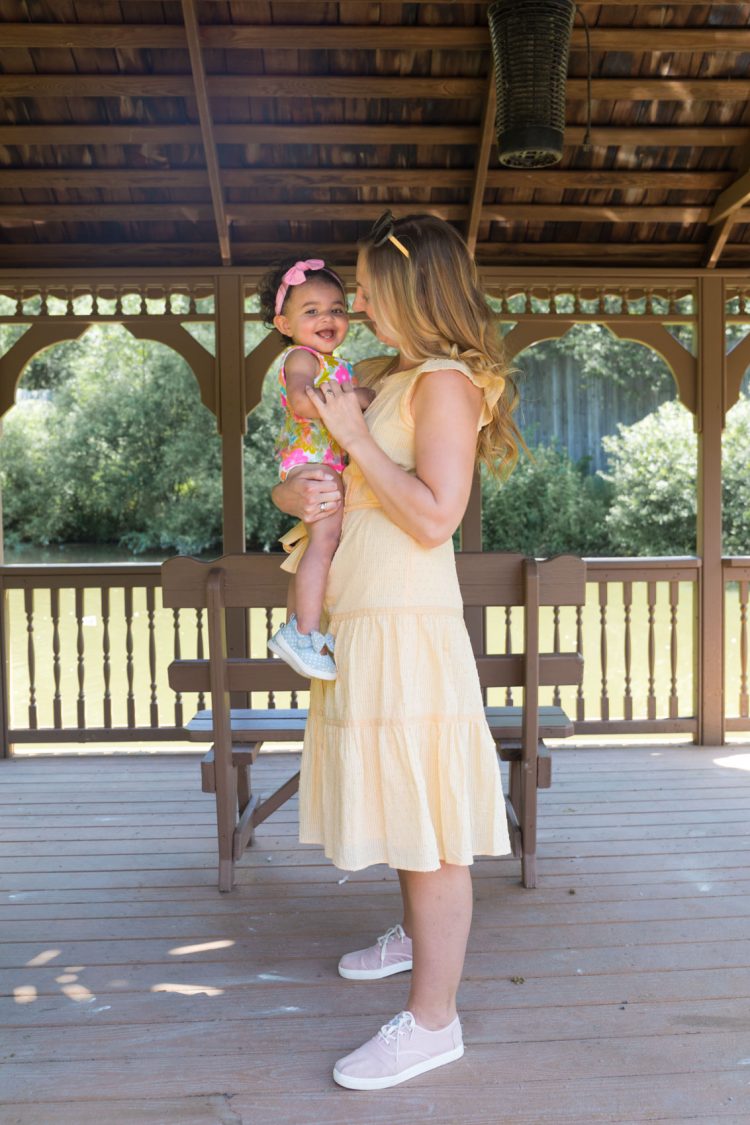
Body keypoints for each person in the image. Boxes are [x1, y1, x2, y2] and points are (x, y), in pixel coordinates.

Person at [271, 212, 521, 1091]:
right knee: (406, 807)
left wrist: (356, 440)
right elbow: (334, 478)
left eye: (372, 287)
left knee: (434, 828)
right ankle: (418, 939)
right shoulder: (393, 375)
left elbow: (433, 513)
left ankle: (433, 1020)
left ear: (415, 289)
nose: (360, 302)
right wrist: (300, 484)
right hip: (367, 618)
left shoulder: (445, 382)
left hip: (410, 624)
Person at [259, 257, 375, 680]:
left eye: (337, 309)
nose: (327, 317)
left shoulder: (336, 363)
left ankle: (302, 627)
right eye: (311, 311)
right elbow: (302, 402)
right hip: (313, 463)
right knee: (324, 544)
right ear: (284, 324)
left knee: (317, 546)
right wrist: (361, 397)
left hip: (323, 463)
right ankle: (302, 632)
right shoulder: (301, 357)